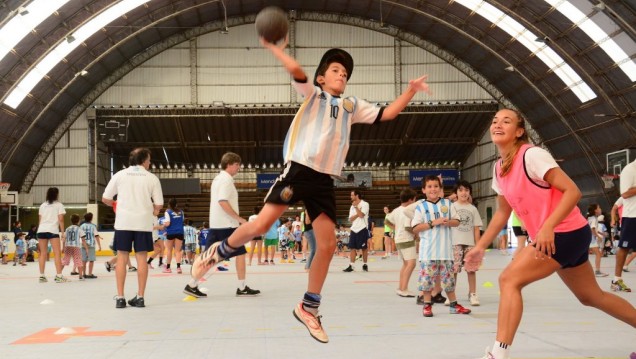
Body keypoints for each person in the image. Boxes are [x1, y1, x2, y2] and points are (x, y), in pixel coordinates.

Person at [188, 37, 431, 343]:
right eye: (335, 70)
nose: (341, 75)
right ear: (321, 77)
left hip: (325, 180)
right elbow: (297, 71)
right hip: (299, 168)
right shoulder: (313, 95)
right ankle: (217, 252)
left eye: (345, 72)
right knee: (262, 224)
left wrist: (410, 90)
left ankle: (308, 307)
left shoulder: (351, 105)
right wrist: (276, 48)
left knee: (327, 246)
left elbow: (388, 114)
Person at [464, 108, 636, 359]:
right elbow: (502, 212)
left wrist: (547, 226)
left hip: (564, 232)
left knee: (509, 280)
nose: (498, 125)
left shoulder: (532, 155)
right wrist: (480, 246)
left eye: (506, 121)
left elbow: (573, 191)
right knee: (591, 296)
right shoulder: (499, 168)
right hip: (565, 234)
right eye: (494, 121)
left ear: (519, 131)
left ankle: (497, 354)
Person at [183, 152, 260, 298]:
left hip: (220, 224)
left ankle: (193, 284)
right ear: (230, 164)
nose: (239, 168)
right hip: (226, 225)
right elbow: (223, 201)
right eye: (237, 165)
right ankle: (192, 284)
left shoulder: (218, 179)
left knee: (230, 254)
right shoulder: (226, 181)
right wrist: (240, 219)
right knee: (212, 258)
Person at [102, 147, 163, 308]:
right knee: (141, 258)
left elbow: (105, 198)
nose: (150, 163)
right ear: (143, 161)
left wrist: (116, 204)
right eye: (149, 160)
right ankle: (140, 297)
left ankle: (120, 298)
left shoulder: (119, 175)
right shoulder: (151, 178)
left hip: (124, 222)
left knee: (122, 257)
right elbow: (159, 204)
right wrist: (154, 211)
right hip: (143, 223)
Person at [412, 175, 470, 317]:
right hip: (428, 253)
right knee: (427, 281)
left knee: (449, 281)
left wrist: (448, 222)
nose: (433, 189)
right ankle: (427, 305)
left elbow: (457, 221)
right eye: (430, 186)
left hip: (445, 252)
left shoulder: (448, 204)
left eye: (436, 186)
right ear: (423, 190)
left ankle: (453, 305)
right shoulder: (421, 207)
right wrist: (433, 223)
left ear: (440, 188)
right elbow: (415, 228)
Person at [449, 180, 483, 306]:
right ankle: (451, 294)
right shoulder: (451, 207)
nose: (464, 193)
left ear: (470, 193)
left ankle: (472, 293)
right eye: (460, 190)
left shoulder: (473, 209)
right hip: (455, 243)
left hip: (470, 244)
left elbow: (476, 228)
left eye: (466, 190)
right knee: (454, 270)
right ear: (456, 193)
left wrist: (478, 246)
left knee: (471, 270)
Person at [384, 188, 418, 297]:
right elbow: (408, 227)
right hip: (407, 239)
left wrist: (396, 228)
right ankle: (404, 289)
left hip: (398, 239)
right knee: (411, 264)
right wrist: (417, 235)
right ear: (411, 200)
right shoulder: (409, 210)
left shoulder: (396, 210)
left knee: (405, 264)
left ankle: (401, 287)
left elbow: (386, 221)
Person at [614, 157, 636, 292]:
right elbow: (625, 194)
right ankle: (616, 280)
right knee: (624, 248)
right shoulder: (629, 169)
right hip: (632, 216)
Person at [36, 187, 67, 283]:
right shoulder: (59, 205)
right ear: (56, 194)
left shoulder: (42, 205)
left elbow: (40, 220)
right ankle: (59, 275)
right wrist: (62, 233)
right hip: (53, 230)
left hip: (41, 230)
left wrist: (39, 229)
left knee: (42, 254)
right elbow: (61, 219)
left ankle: (42, 276)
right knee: (57, 253)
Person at [344, 190, 370, 272]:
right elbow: (350, 219)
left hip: (362, 228)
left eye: (352, 195)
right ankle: (351, 266)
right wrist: (357, 212)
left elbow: (362, 215)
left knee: (364, 248)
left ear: (357, 195)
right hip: (354, 229)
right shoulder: (352, 206)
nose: (350, 197)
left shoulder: (365, 204)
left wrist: (356, 208)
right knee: (352, 248)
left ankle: (365, 264)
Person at [62, 214, 87, 280]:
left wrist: (63, 247)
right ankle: (81, 276)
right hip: (76, 246)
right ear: (78, 221)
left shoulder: (67, 229)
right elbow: (83, 240)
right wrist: (86, 248)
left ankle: (59, 274)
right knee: (78, 260)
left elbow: (64, 238)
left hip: (68, 246)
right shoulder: (79, 229)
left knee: (65, 260)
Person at [163, 198, 185, 274]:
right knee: (177, 251)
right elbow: (182, 221)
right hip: (180, 232)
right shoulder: (181, 212)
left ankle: (168, 268)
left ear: (169, 204)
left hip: (171, 232)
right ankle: (178, 267)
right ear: (176, 204)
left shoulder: (167, 212)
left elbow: (168, 223)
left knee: (169, 250)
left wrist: (164, 225)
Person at [587, 204, 608, 277]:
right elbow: (592, 229)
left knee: (583, 255)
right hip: (591, 239)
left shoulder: (592, 218)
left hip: (588, 238)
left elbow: (593, 229)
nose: (600, 209)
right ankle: (597, 271)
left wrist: (601, 233)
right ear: (595, 210)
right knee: (598, 254)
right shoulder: (593, 218)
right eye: (599, 207)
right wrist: (598, 236)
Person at [80, 212, 101, 278]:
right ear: (91, 218)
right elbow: (96, 236)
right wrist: (99, 245)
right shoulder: (93, 226)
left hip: (83, 244)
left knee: (83, 260)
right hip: (91, 245)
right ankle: (90, 273)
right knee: (91, 260)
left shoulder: (82, 226)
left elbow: (80, 235)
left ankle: (84, 274)